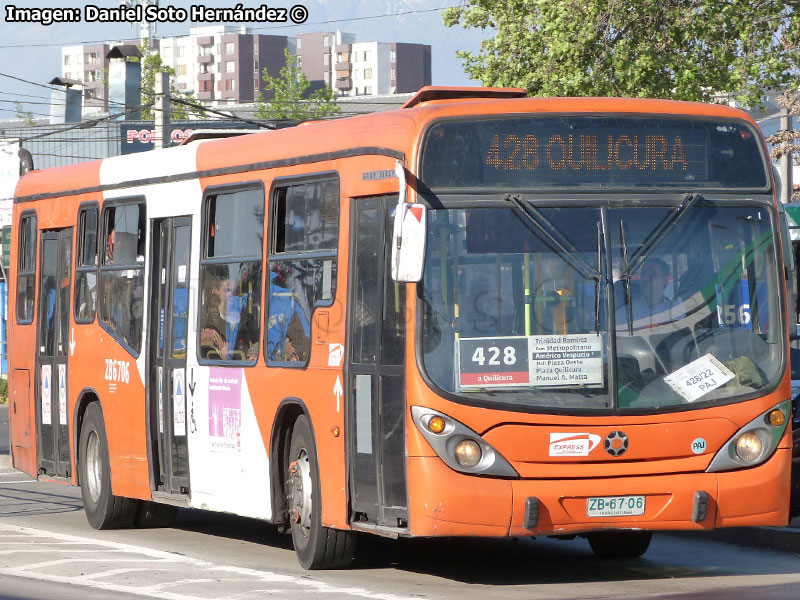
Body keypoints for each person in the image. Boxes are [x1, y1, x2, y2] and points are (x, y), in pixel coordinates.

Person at [618, 257, 683, 327]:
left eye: (653, 274)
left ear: (665, 280)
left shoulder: (675, 309)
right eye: (643, 274)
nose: (646, 278)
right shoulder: (626, 313)